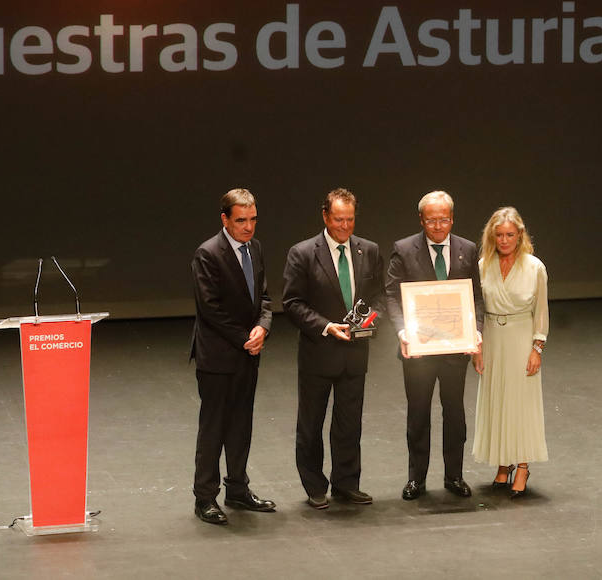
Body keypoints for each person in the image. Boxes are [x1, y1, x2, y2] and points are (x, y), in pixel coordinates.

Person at [281, 188, 384, 508]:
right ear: (325, 217)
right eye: (338, 219)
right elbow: (292, 303)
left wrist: (368, 322)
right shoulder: (302, 253)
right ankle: (314, 486)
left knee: (349, 423)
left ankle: (346, 483)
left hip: (355, 353)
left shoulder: (369, 250)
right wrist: (326, 326)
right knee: (311, 424)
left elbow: (378, 295)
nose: (345, 226)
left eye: (350, 219)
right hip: (318, 352)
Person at [385, 190, 484, 501]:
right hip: (419, 350)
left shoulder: (467, 249)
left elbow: (476, 298)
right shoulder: (403, 249)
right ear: (421, 220)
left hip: (456, 349)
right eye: (432, 220)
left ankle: (454, 476)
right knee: (418, 414)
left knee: (455, 413)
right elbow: (391, 295)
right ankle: (417, 479)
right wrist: (401, 330)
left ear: (452, 218)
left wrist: (476, 330)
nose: (438, 226)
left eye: (444, 219)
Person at [189, 188, 276, 525]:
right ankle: (204, 498)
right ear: (225, 219)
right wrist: (246, 338)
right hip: (218, 357)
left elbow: (264, 297)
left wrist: (263, 328)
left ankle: (237, 489)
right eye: (241, 220)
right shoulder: (207, 254)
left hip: (247, 353)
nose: (249, 227)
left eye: (253, 219)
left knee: (241, 425)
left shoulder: (255, 248)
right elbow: (209, 309)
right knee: (214, 428)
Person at [472, 206, 549, 498]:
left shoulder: (534, 267)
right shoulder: (483, 265)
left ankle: (523, 465)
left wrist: (536, 348)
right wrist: (476, 347)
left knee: (521, 402)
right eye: (499, 235)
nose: (504, 240)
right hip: (492, 336)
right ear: (492, 237)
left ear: (520, 235)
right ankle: (503, 464)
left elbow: (541, 310)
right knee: (497, 399)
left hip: (520, 336)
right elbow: (476, 309)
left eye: (510, 235)